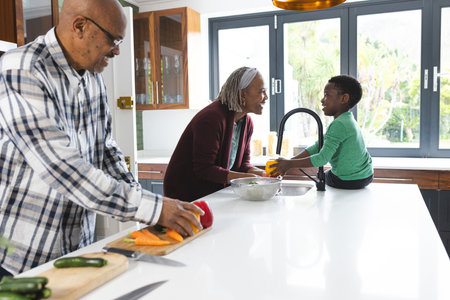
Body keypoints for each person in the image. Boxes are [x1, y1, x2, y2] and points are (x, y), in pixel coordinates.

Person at [0, 0, 202, 277]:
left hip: (77, 249)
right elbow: (62, 169)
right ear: (80, 26)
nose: (118, 50)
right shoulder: (22, 69)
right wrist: (150, 208)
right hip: (20, 256)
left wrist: (140, 201)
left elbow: (106, 151)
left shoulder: (93, 77)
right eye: (113, 39)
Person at [164, 67, 268, 202]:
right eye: (262, 91)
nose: (266, 97)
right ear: (243, 94)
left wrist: (263, 174)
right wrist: (246, 179)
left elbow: (243, 165)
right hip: (185, 197)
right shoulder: (211, 118)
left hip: (210, 195)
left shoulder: (246, 122)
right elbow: (204, 169)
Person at [272, 75, 373, 189]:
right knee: (327, 175)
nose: (322, 100)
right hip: (365, 175)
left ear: (344, 98)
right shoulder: (346, 120)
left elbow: (322, 159)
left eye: (326, 95)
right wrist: (289, 162)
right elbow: (318, 146)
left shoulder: (339, 124)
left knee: (325, 177)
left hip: (349, 180)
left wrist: (289, 164)